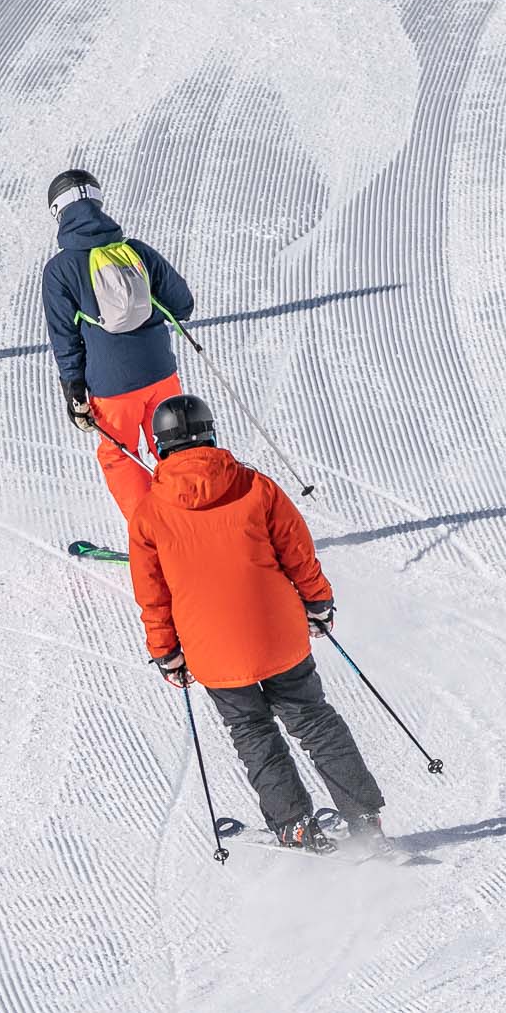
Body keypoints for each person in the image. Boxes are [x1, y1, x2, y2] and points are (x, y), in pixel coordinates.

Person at [130, 393, 385, 852]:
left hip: (213, 652)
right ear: (211, 433)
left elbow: (153, 594)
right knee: (313, 720)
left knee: (252, 731)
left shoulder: (149, 513)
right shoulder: (255, 486)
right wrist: (317, 602)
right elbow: (298, 552)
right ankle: (363, 816)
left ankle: (294, 824)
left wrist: (167, 652)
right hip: (278, 635)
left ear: (160, 447)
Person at [41, 168, 195, 521]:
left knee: (121, 456)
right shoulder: (136, 250)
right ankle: (198, 525)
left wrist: (74, 391)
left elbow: (64, 338)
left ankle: (154, 542)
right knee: (177, 450)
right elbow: (183, 304)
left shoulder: (60, 270)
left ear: (57, 212)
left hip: (111, 387)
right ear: (98, 200)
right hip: (161, 374)